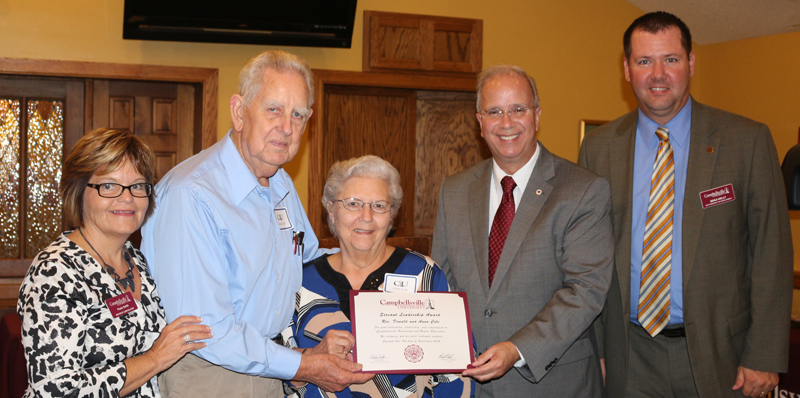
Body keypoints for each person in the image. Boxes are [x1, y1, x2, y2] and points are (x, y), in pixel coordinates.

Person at [578, 11, 793, 398]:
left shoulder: (748, 141)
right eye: (644, 61)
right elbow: (586, 257)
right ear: (627, 69)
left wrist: (764, 354)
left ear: (691, 63)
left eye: (671, 59)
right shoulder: (598, 148)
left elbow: (771, 255)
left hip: (722, 356)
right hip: (629, 355)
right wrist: (597, 348)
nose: (657, 73)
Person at [140, 50, 372, 397]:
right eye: (273, 109)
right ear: (238, 112)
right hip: (212, 375)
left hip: (272, 366)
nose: (287, 127)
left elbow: (308, 259)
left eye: (298, 115)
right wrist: (304, 365)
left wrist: (383, 262)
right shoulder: (192, 194)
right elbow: (208, 331)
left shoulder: (279, 182)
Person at [431, 64, 614, 397]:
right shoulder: (453, 190)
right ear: (479, 122)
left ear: (537, 115)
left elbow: (585, 291)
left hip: (553, 383)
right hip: (467, 384)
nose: (506, 123)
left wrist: (517, 348)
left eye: (518, 109)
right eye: (494, 111)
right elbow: (442, 282)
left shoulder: (583, 190)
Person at [17, 128, 211, 398]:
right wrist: (155, 358)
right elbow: (57, 390)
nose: (127, 197)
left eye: (138, 185)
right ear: (78, 191)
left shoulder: (138, 258)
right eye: (109, 185)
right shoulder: (54, 271)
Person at [281, 155, 472, 398]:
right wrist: (310, 360)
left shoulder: (425, 274)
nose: (367, 216)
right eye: (353, 203)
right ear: (331, 209)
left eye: (379, 205)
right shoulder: (299, 281)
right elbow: (278, 377)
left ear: (392, 215)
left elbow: (456, 374)